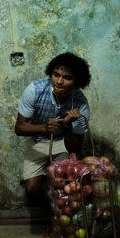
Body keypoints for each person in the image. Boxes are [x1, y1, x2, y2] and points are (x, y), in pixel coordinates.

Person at [15, 52, 91, 199]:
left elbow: (75, 148)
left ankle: (60, 211)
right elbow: (19, 128)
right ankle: (50, 203)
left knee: (64, 184)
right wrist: (44, 128)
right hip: (37, 141)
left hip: (63, 143)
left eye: (67, 78)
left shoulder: (81, 104)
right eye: (56, 75)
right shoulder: (35, 90)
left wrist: (69, 127)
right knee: (31, 188)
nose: (59, 81)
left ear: (77, 82)